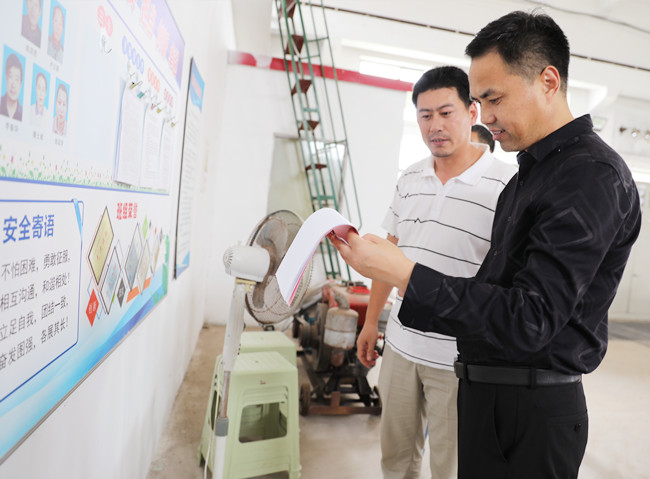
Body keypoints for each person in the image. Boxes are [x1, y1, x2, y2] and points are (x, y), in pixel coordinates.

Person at [329, 10, 641, 479]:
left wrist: (405, 275)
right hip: (488, 391)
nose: (487, 116)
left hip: (530, 409)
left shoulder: (589, 176)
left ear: (548, 81)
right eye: (479, 100)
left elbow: (530, 318)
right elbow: (493, 289)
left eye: (494, 99)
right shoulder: (526, 178)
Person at [358, 66, 516, 479]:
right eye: (425, 115)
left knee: (452, 467)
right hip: (400, 346)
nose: (435, 126)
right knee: (395, 460)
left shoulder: (506, 186)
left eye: (446, 113)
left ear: (472, 112)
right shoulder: (410, 177)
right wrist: (372, 323)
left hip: (458, 359)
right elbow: (388, 255)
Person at [0, 53, 24, 121]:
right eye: (10, 77)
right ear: (6, 78)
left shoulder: (23, 113)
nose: (13, 85)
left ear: (20, 84)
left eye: (16, 79)